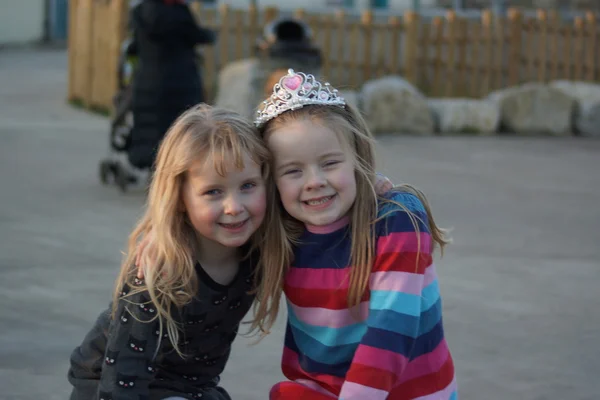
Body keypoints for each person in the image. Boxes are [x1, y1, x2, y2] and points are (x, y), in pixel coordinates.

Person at [251, 69, 458, 399]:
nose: (314, 180)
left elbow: (390, 333)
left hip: (411, 392)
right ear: (271, 182)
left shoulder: (396, 220)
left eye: (330, 163)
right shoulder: (281, 230)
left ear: (357, 159)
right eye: (293, 170)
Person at [68, 105, 270, 400]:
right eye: (213, 191)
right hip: (111, 385)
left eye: (248, 185)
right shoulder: (160, 271)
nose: (234, 207)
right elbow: (121, 379)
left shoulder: (262, 245)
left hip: (191, 388)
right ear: (178, 198)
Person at [127, 0, 216, 182]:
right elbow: (196, 35)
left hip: (148, 80)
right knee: (180, 126)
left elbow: (134, 46)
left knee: (151, 126)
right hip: (180, 80)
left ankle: (151, 168)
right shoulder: (179, 12)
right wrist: (211, 34)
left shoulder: (140, 11)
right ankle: (176, 172)